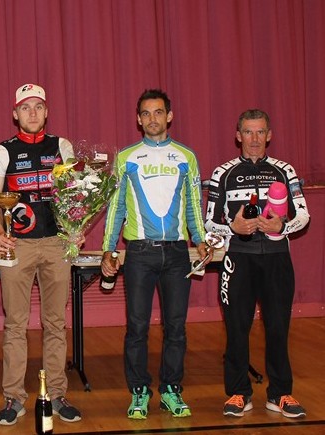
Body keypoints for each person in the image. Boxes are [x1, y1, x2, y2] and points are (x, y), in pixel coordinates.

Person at [101, 89, 208, 419]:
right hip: (139, 253)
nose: (152, 119)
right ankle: (139, 391)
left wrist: (200, 239)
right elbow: (116, 207)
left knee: (176, 327)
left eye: (158, 112)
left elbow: (193, 205)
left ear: (169, 116)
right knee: (137, 327)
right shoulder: (126, 158)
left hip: (177, 254)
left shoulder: (186, 156)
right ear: (138, 119)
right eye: (146, 113)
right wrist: (108, 249)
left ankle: (172, 389)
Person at [205, 109, 310, 419]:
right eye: (248, 132)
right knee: (237, 328)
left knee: (278, 327)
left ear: (269, 135)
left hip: (277, 260)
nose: (254, 139)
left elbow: (303, 215)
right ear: (238, 136)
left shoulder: (285, 170)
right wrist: (233, 228)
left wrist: (282, 226)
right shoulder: (222, 173)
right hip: (238, 259)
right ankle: (239, 393)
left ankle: (280, 394)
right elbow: (209, 223)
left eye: (260, 132)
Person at [0, 83, 82, 426]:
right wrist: (0, 234)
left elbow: (75, 195)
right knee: (15, 324)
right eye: (25, 107)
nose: (32, 113)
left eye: (38, 107)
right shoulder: (4, 151)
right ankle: (13, 398)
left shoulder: (62, 147)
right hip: (19, 245)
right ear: (15, 113)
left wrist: (76, 226)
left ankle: (57, 394)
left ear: (46, 112)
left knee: (55, 323)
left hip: (57, 244)